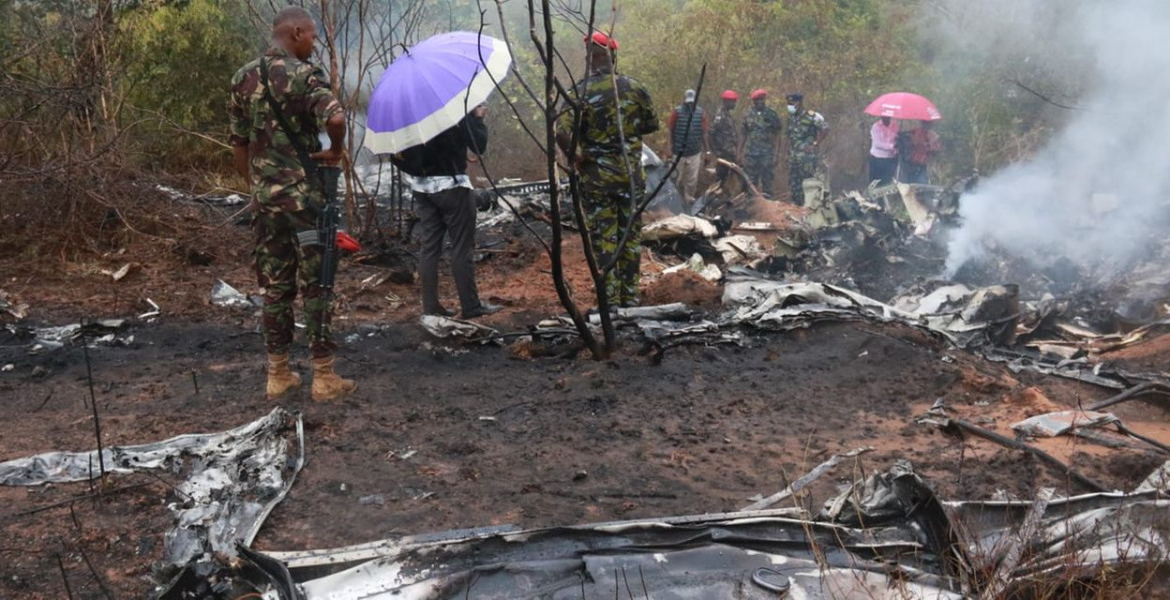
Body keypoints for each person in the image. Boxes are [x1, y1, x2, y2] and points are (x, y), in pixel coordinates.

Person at [229, 6, 356, 402]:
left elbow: (238, 142)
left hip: (267, 202)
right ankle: (323, 377)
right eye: (313, 36)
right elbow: (335, 117)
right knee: (317, 284)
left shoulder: (242, 77)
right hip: (304, 201)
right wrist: (335, 150)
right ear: (296, 32)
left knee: (276, 288)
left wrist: (255, 187)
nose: (314, 43)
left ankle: (278, 374)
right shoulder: (304, 75)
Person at [556, 31, 659, 308]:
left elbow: (561, 131)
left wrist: (578, 158)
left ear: (591, 59)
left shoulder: (579, 92)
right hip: (630, 177)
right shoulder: (634, 88)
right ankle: (630, 296)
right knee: (630, 236)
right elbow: (651, 124)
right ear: (613, 56)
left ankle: (609, 299)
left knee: (604, 237)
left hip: (597, 179)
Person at [398, 105, 501, 319]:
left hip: (421, 187)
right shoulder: (449, 106)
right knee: (462, 247)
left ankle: (431, 307)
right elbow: (478, 144)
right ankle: (471, 306)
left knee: (429, 248)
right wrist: (477, 117)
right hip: (452, 187)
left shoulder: (408, 110)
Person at [666, 89, 709, 209]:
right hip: (678, 152)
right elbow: (670, 130)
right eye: (688, 102)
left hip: (694, 152)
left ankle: (689, 201)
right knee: (676, 179)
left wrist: (708, 151)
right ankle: (674, 201)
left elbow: (705, 132)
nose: (690, 105)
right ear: (684, 101)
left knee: (692, 180)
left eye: (692, 102)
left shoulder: (701, 113)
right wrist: (668, 148)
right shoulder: (677, 112)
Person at [784, 92, 828, 206]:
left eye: (791, 103)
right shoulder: (791, 118)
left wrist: (815, 143)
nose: (789, 106)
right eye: (788, 103)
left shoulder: (812, 116)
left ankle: (810, 205)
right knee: (794, 181)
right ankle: (796, 204)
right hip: (794, 155)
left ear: (799, 102)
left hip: (807, 156)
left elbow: (825, 129)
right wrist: (787, 151)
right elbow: (789, 136)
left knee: (808, 180)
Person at [737, 89, 782, 196]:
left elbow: (777, 135)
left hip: (767, 155)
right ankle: (751, 208)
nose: (760, 102)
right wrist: (739, 153)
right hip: (751, 155)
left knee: (767, 183)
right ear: (754, 101)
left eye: (762, 99)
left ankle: (767, 207)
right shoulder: (748, 114)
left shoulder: (772, 114)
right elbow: (743, 134)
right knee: (750, 184)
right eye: (757, 100)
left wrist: (776, 154)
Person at [710, 90, 739, 184]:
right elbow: (711, 133)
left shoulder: (728, 114)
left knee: (729, 177)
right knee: (721, 178)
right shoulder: (720, 116)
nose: (735, 104)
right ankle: (716, 196)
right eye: (733, 101)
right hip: (724, 153)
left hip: (730, 152)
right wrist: (715, 151)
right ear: (726, 102)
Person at [868, 116, 899, 185]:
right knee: (875, 183)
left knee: (887, 182)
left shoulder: (895, 126)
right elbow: (877, 143)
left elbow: (896, 139)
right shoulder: (876, 127)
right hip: (877, 158)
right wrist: (892, 146)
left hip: (890, 159)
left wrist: (897, 146)